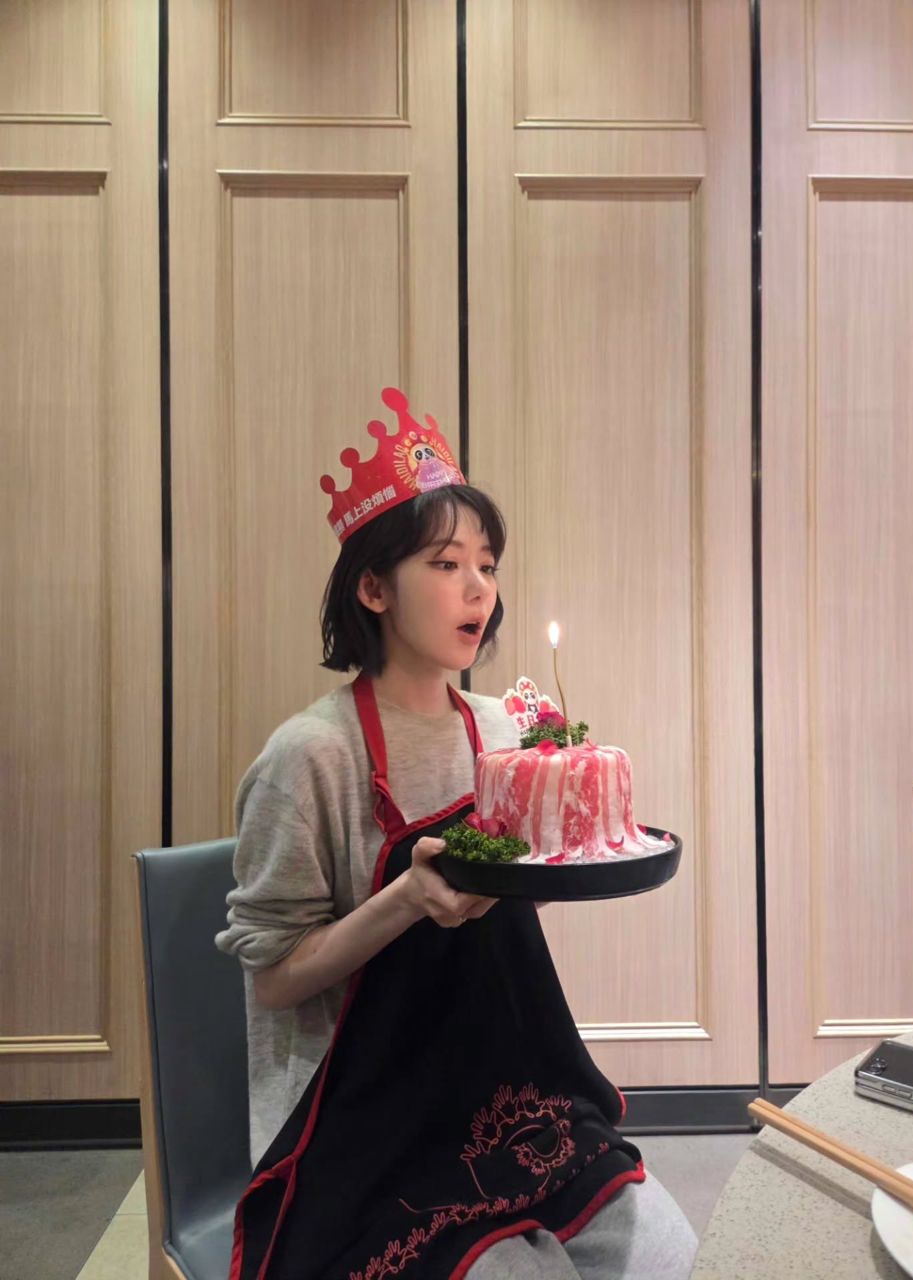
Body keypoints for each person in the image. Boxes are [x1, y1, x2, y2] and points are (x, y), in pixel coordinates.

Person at [215, 389, 698, 1279]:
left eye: (487, 564)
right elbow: (274, 980)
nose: (479, 588)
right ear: (372, 588)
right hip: (360, 1119)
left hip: (510, 1091)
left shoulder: (503, 733)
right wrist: (404, 900)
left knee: (675, 1259)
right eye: (445, 564)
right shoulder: (309, 757)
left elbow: (506, 918)